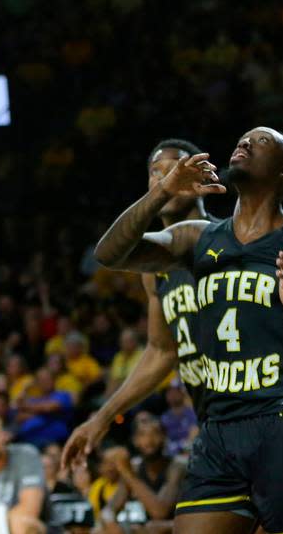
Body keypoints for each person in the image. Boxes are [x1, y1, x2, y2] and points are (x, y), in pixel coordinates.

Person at [93, 127, 283, 534]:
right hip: (218, 428)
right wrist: (162, 191)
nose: (246, 143)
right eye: (244, 139)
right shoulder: (196, 237)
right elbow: (109, 255)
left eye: (263, 141)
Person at [63, 139, 211, 471]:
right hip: (211, 422)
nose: (164, 178)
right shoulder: (155, 270)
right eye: (155, 172)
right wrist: (101, 418)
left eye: (174, 168)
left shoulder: (219, 241)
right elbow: (161, 351)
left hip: (254, 412)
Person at [99, 413, 186, 534]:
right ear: (135, 440)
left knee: (157, 528)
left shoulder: (177, 466)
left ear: (164, 437)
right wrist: (111, 523)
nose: (149, 440)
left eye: (155, 433)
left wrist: (127, 472)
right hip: (146, 529)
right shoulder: (135, 467)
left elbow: (160, 512)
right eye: (142, 435)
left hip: (178, 528)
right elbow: (108, 510)